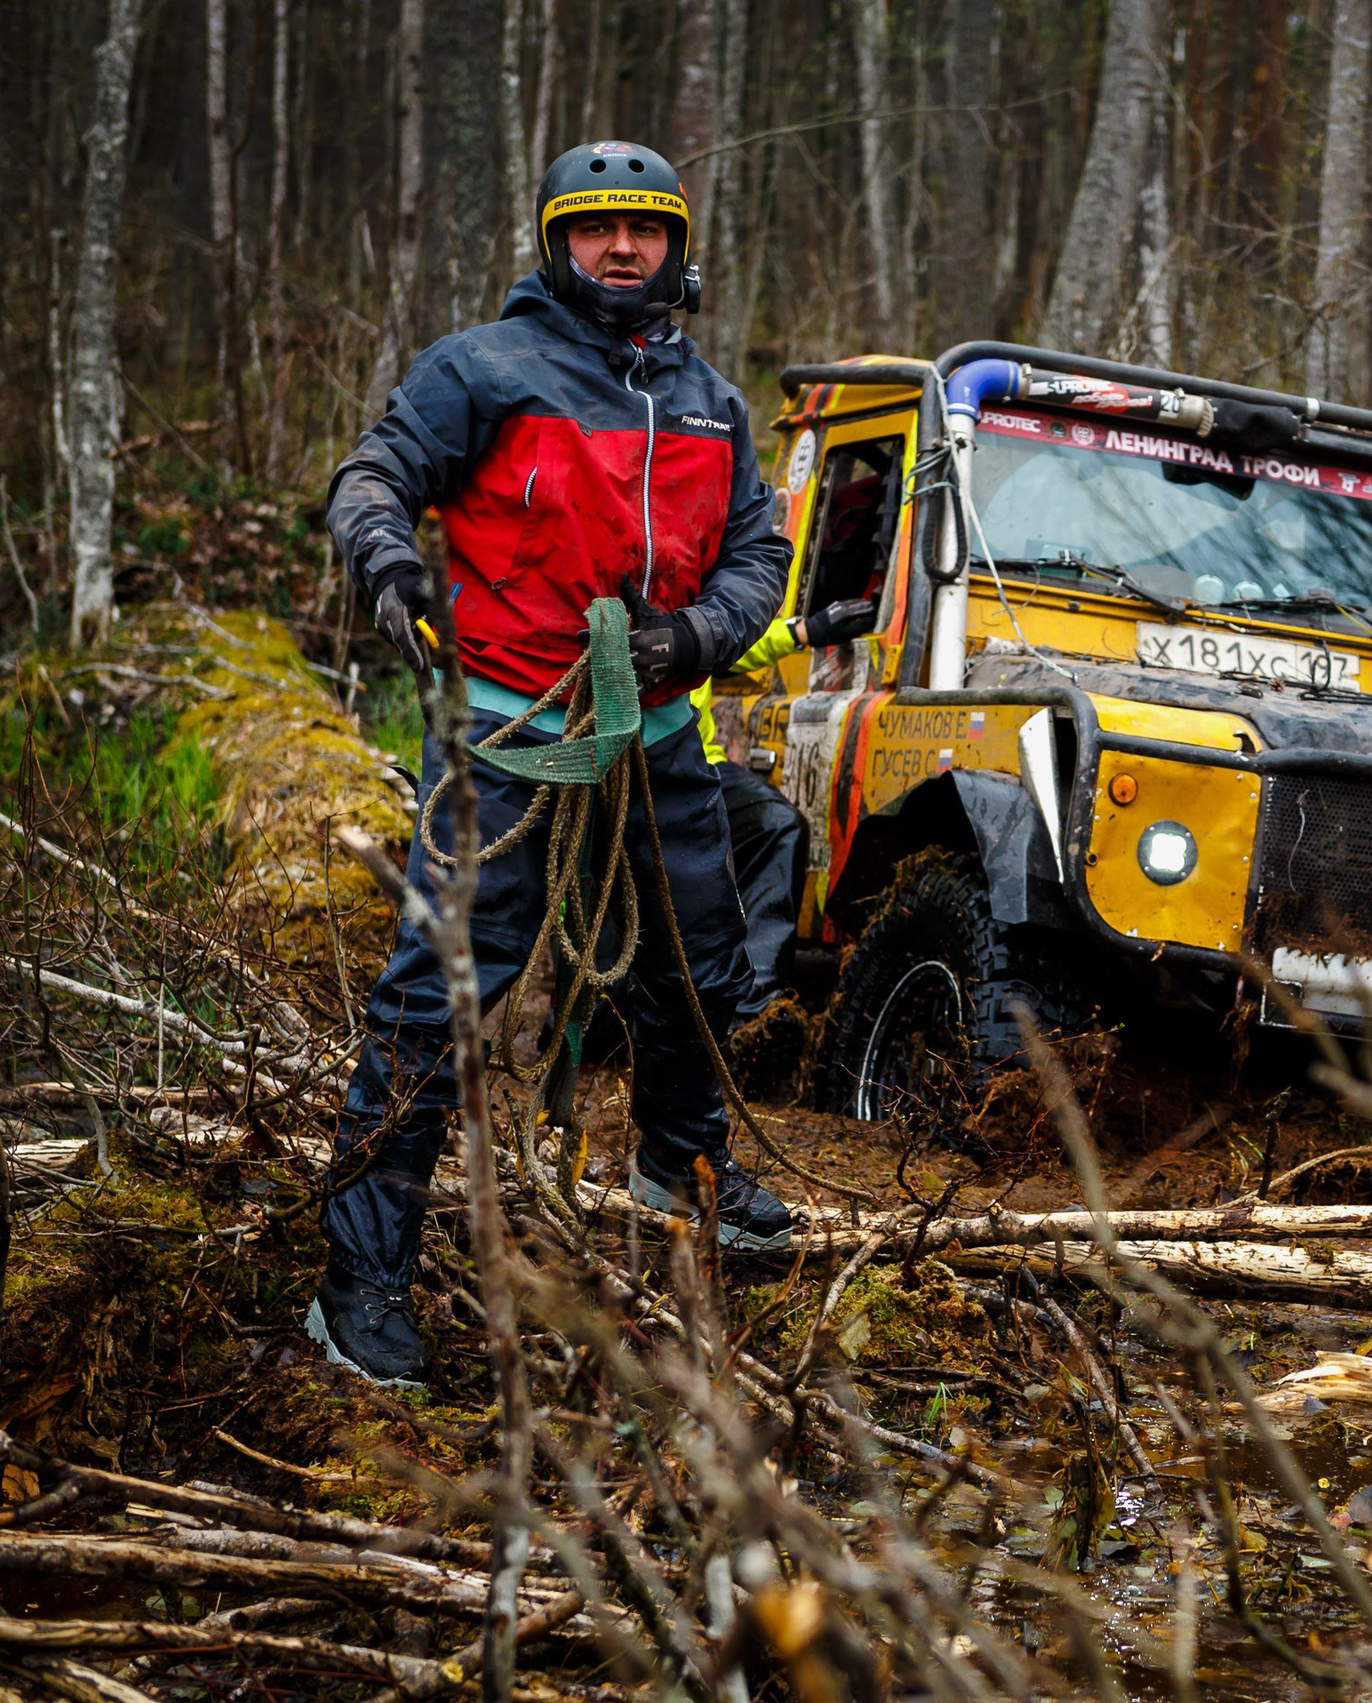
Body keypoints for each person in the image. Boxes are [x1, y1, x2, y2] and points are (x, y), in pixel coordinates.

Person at [314, 140, 874, 1384]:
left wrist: (702, 632)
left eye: (646, 229)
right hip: (509, 729)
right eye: (595, 227)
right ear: (554, 242)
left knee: (697, 968)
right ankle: (360, 1273)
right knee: (440, 993)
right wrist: (394, 573)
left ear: (678, 246)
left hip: (661, 728)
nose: (623, 248)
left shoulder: (715, 404)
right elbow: (373, 478)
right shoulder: (480, 369)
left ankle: (680, 1168)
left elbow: (754, 562)